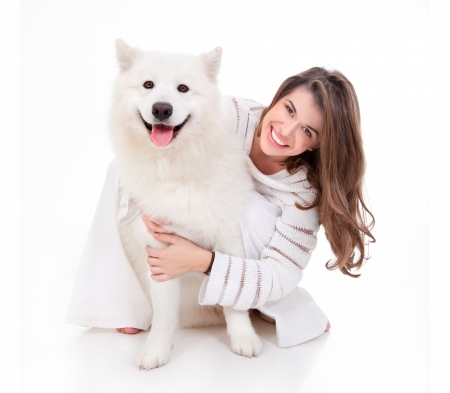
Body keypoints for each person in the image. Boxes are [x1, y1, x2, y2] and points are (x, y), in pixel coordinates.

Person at [67, 67, 375, 347]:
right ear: (277, 98)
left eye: (307, 131)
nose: (286, 131)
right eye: (288, 109)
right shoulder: (232, 116)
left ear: (318, 144)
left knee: (250, 210)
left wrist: (201, 260)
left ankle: (258, 302)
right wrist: (148, 202)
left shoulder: (303, 192)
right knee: (117, 170)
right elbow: (154, 156)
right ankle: (123, 304)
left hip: (237, 248)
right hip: (196, 222)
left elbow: (281, 274)